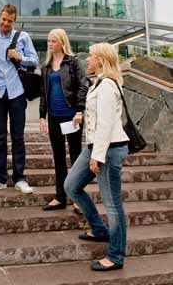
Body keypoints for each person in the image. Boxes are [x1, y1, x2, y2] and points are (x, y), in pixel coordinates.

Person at [64, 42, 129, 271]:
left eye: (91, 56)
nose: (87, 60)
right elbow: (99, 117)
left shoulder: (108, 85)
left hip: (108, 149)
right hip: (96, 146)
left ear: (101, 59)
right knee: (71, 186)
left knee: (112, 204)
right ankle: (100, 229)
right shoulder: (98, 83)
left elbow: (107, 124)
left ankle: (116, 255)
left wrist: (98, 156)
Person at [0, 4, 39, 194]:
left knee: (18, 137)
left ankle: (20, 178)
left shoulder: (23, 37)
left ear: (14, 21)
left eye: (10, 21)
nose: (6, 23)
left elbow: (35, 60)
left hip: (17, 92)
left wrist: (20, 57)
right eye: (4, 19)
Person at [39, 29, 88, 212]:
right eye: (48, 41)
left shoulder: (73, 62)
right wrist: (42, 115)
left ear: (61, 42)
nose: (50, 44)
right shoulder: (46, 66)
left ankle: (77, 197)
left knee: (76, 157)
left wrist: (79, 110)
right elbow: (44, 92)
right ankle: (60, 197)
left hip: (72, 116)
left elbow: (83, 85)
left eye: (53, 41)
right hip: (54, 117)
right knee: (58, 157)